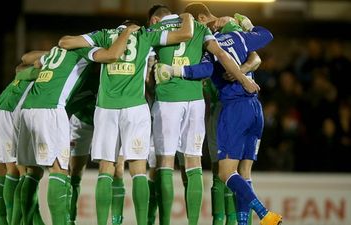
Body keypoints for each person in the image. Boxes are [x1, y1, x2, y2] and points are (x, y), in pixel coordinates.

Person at [60, 14, 194, 225]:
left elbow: (65, 41)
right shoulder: (147, 34)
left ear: (120, 26)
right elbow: (186, 34)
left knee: (106, 168)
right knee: (138, 169)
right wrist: (187, 16)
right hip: (135, 108)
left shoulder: (105, 34)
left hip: (106, 109)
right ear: (135, 26)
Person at [154, 13, 282, 225]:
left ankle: (264, 214)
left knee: (225, 173)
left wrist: (173, 70)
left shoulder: (208, 45)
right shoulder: (239, 36)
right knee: (244, 172)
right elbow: (266, 36)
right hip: (255, 109)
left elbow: (204, 69)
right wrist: (248, 25)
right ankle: (243, 223)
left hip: (233, 110)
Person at [17, 25, 139, 225]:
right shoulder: (84, 52)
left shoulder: (58, 53)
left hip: (29, 108)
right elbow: (111, 55)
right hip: (52, 109)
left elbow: (25, 62)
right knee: (59, 171)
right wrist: (126, 32)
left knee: (33, 172)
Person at [0, 51, 46, 225]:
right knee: (21, 171)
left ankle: (6, 222)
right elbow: (21, 65)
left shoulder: (27, 72)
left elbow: (19, 67)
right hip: (10, 112)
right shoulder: (49, 71)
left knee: (1, 169)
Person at [63, 62, 126, 225]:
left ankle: (116, 221)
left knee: (117, 169)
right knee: (75, 171)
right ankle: (70, 218)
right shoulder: (83, 74)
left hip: (108, 120)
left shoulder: (119, 74)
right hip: (82, 121)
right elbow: (68, 103)